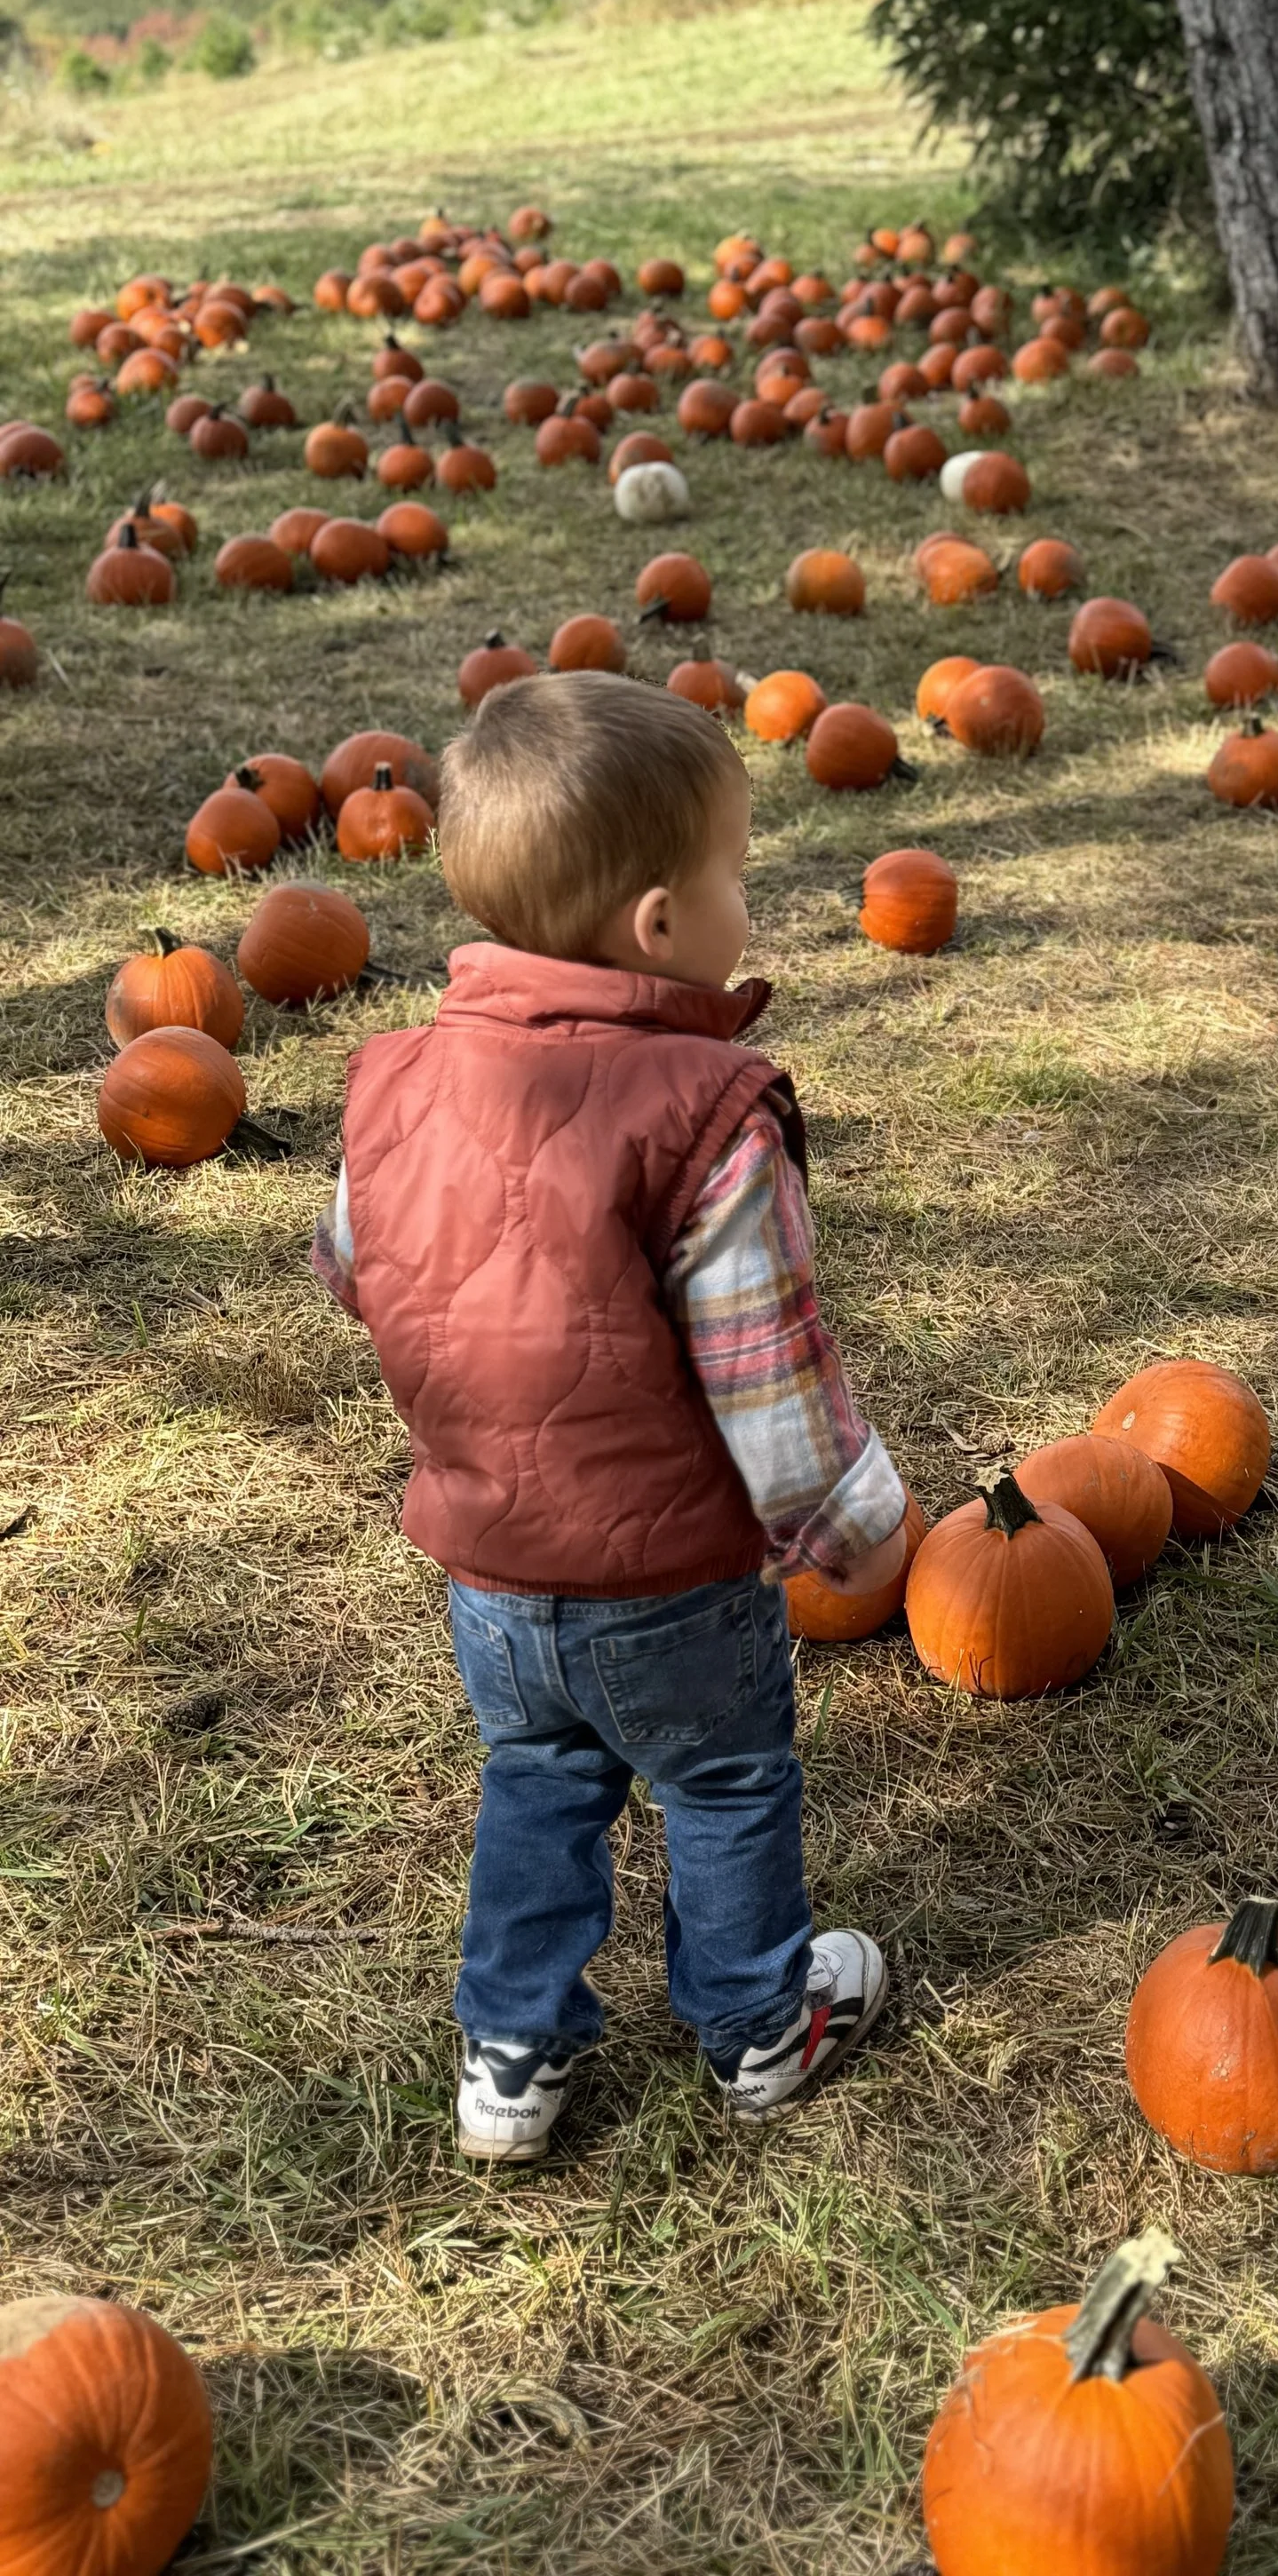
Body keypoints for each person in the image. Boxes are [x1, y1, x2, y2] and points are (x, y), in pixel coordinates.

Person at [313, 670, 909, 2162]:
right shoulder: (703, 1109)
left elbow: (351, 1261)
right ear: (659, 923)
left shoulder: (395, 1081)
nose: (746, 906)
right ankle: (761, 2020)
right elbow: (763, 1361)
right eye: (736, 878)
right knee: (721, 1780)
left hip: (490, 1570)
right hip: (669, 1580)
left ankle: (511, 2057)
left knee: (539, 1780)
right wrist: (856, 1525)